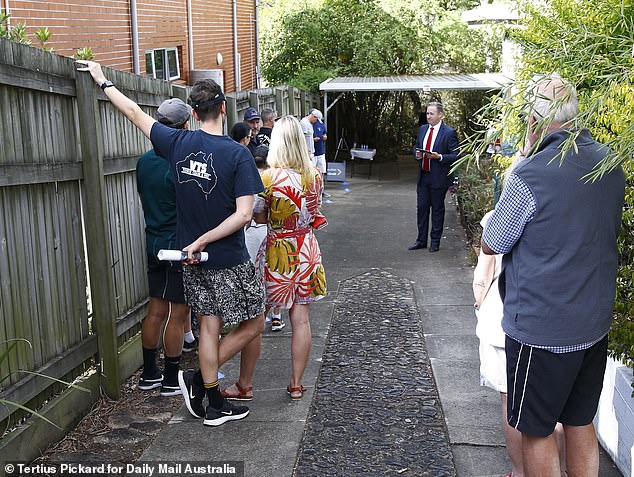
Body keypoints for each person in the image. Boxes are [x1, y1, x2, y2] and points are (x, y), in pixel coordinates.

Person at [77, 61, 266, 428]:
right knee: (254, 322)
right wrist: (205, 239)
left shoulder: (176, 142)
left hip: (191, 260)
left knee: (209, 327)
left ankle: (212, 400)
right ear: (224, 108)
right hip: (227, 257)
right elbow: (245, 215)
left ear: (193, 113)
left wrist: (103, 81)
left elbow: (133, 112)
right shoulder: (238, 154)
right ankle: (199, 382)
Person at [481, 73, 625, 476]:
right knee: (581, 421)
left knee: (536, 429)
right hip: (592, 322)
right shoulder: (609, 163)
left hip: (542, 329)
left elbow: (494, 240)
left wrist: (524, 158)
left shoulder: (531, 174)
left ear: (534, 119)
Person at [474, 208, 566, 477]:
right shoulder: (560, 214)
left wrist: (479, 303)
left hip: (505, 316)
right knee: (555, 407)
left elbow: (484, 273)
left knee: (511, 402)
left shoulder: (498, 218)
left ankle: (520, 471)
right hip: (552, 320)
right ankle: (556, 470)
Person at [254, 115, 327, 399]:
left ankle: (246, 382)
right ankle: (296, 384)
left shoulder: (268, 178)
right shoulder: (314, 176)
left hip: (277, 250)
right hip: (306, 249)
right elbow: (315, 209)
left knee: (257, 319)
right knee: (301, 321)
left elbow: (260, 217)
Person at [136, 98, 192, 397]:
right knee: (178, 313)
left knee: (156, 308)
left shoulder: (144, 161)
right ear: (185, 126)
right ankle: (171, 378)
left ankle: (148, 373)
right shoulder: (180, 162)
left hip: (153, 241)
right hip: (178, 247)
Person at [409, 102, 459, 252]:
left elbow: (456, 155)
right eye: (427, 113)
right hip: (423, 176)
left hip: (439, 177)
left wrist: (440, 157)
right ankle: (421, 240)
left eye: (431, 113)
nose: (428, 116)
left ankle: (435, 241)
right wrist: (416, 154)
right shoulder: (423, 129)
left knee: (437, 209)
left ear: (440, 115)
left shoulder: (449, 132)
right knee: (422, 208)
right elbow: (416, 146)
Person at [311, 109, 329, 197]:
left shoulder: (321, 124)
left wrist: (324, 136)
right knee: (313, 172)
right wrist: (313, 140)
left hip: (321, 151)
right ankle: (313, 191)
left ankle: (321, 191)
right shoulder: (308, 125)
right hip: (312, 153)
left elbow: (325, 133)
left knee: (321, 172)